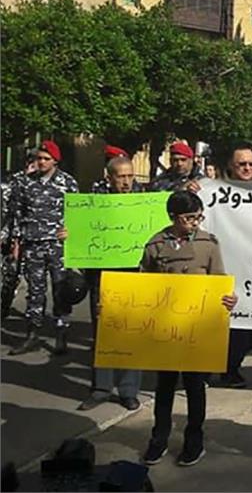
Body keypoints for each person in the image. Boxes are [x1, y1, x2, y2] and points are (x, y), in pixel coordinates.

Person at [141, 191, 238, 467]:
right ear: (173, 217)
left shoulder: (208, 244)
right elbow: (142, 284)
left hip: (197, 329)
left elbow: (219, 280)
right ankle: (158, 439)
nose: (195, 222)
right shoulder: (155, 244)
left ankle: (194, 441)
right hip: (165, 328)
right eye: (189, 218)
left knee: (195, 387)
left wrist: (229, 299)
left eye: (198, 217)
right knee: (164, 387)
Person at [78, 156, 144, 412]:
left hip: (135, 277)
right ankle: (101, 388)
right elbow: (82, 231)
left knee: (132, 334)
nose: (126, 182)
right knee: (103, 334)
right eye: (121, 176)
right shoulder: (94, 202)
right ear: (109, 178)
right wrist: (69, 234)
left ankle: (128, 391)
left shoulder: (145, 200)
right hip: (103, 277)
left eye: (130, 176)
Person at [8, 141, 78, 355]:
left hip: (58, 246)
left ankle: (61, 334)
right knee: (35, 291)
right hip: (33, 244)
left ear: (55, 161)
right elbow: (18, 213)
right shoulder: (26, 182)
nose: (41, 162)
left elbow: (78, 214)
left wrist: (72, 233)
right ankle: (32, 334)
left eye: (46, 159)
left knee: (60, 290)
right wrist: (16, 242)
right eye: (38, 158)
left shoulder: (67, 183)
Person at [218, 145, 252, 388]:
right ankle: (220, 371)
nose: (247, 168)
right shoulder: (214, 192)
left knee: (247, 333)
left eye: (251, 164)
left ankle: (231, 367)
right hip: (223, 267)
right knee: (223, 326)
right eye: (242, 164)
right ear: (231, 165)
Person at [1, 150, 35, 321]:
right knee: (11, 275)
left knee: (34, 280)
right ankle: (4, 308)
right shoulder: (15, 181)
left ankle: (33, 315)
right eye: (32, 161)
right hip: (13, 235)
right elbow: (10, 212)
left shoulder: (51, 183)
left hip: (36, 238)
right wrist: (11, 238)